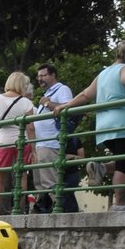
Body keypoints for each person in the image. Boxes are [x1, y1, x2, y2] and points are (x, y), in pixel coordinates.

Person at [59, 40, 125, 210]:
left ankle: (101, 168)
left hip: (105, 128)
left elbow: (86, 94)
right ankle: (119, 204)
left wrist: (66, 105)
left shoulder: (104, 73)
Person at [0, 71, 39, 217]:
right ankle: (19, 209)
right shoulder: (26, 102)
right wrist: (34, 149)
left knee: (0, 178)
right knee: (22, 177)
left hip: (4, 141)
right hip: (22, 142)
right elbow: (31, 127)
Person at [31, 64, 78, 214]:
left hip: (51, 143)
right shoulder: (49, 92)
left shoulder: (62, 89)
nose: (40, 78)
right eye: (38, 76)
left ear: (53, 75)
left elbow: (67, 108)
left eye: (43, 75)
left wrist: (46, 103)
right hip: (42, 144)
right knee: (41, 182)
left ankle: (63, 210)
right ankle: (44, 210)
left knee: (50, 181)